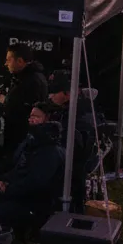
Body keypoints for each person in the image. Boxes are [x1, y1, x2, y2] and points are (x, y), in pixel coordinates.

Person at [0, 103, 65, 230]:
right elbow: (15, 167)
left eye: (35, 116)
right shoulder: (30, 140)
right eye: (30, 116)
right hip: (18, 193)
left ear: (48, 119)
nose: (30, 119)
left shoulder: (51, 151)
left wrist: (7, 188)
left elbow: (36, 185)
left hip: (32, 205)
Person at [48, 70, 97, 211]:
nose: (50, 97)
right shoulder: (68, 109)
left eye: (54, 93)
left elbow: (77, 150)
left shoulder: (77, 115)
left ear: (68, 94)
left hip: (74, 170)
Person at [0, 43, 48, 156]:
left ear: (20, 61)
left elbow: (26, 110)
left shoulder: (32, 81)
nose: (6, 64)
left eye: (8, 60)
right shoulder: (25, 79)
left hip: (20, 141)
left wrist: (5, 101)